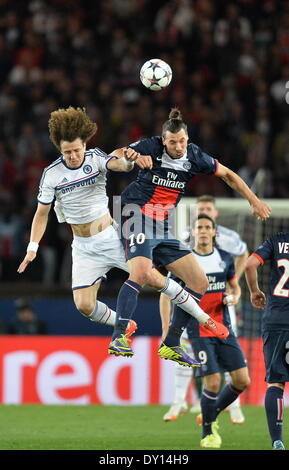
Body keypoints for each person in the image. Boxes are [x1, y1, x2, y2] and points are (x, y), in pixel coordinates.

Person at [17, 106, 224, 369]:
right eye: (67, 152)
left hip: (109, 236)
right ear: (60, 149)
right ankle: (123, 323)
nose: (72, 156)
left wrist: (131, 159)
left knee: (149, 276)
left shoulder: (96, 159)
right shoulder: (52, 174)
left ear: (84, 144)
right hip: (82, 247)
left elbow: (119, 162)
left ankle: (202, 318)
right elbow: (41, 213)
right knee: (84, 306)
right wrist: (33, 247)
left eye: (76, 150)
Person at [108, 107, 271, 363]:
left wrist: (254, 200)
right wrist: (129, 157)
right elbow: (118, 155)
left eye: (182, 140)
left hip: (162, 224)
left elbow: (228, 175)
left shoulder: (194, 156)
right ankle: (119, 335)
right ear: (164, 141)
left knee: (199, 282)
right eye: (172, 142)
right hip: (134, 213)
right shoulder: (150, 146)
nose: (178, 146)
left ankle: (171, 343)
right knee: (139, 272)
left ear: (187, 138)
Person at [163, 195, 248, 424]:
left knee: (232, 364)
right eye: (201, 211)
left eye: (209, 209)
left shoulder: (228, 242)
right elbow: (168, 283)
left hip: (221, 312)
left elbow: (243, 255)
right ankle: (179, 400)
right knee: (184, 353)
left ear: (215, 215)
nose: (205, 214)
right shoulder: (183, 242)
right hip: (192, 313)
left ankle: (233, 406)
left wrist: (235, 285)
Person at [187, 214, 250, 448]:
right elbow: (169, 293)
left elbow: (235, 288)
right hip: (199, 329)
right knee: (212, 381)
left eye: (207, 227)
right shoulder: (185, 260)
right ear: (193, 233)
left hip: (224, 327)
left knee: (242, 380)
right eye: (199, 227)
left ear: (214, 232)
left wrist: (233, 298)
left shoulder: (224, 258)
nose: (203, 231)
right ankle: (208, 434)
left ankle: (209, 413)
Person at [245, 232, 289, 450]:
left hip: (277, 320)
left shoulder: (277, 241)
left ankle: (277, 441)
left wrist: (254, 291)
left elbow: (250, 265)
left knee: (276, 383)